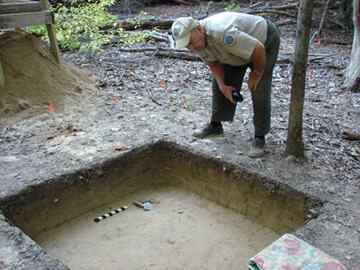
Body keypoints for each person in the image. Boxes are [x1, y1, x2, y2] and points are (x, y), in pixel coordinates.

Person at [171, 11, 280, 157]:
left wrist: (256, 73)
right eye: (186, 46)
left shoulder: (222, 33)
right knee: (220, 82)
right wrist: (223, 86)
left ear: (198, 29)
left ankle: (260, 137)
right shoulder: (199, 43)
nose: (191, 48)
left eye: (190, 42)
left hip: (264, 40)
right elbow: (213, 63)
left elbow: (258, 48)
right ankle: (215, 126)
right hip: (236, 49)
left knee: (259, 87)